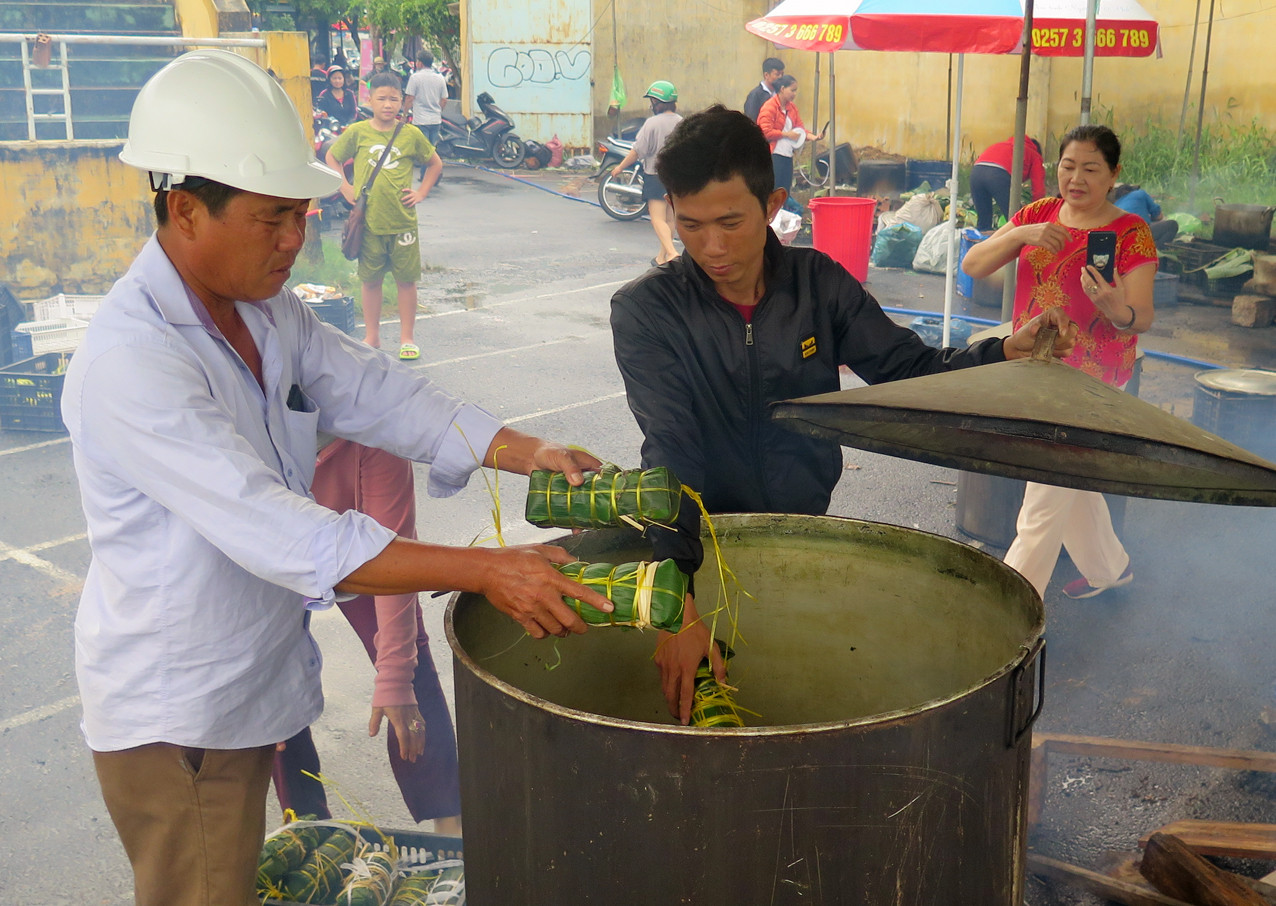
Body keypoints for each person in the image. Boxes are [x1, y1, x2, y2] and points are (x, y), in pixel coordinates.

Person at [65, 49, 613, 906]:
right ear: (183, 211)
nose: (298, 239)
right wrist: (490, 570)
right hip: (181, 722)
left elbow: (373, 389)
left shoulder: (264, 309)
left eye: (302, 215)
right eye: (273, 217)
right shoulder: (131, 363)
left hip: (248, 688)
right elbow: (282, 530)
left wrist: (521, 448)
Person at [609, 105, 1077, 724]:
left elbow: (908, 370)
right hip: (700, 541)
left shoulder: (819, 284)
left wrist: (1003, 350)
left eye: (731, 222)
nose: (712, 248)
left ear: (773, 202)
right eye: (689, 224)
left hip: (803, 532)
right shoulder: (647, 311)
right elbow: (670, 446)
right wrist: (674, 598)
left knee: (798, 701)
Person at [962, 123, 1157, 601]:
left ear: (1114, 175)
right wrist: (1020, 234)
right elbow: (973, 265)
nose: (1077, 178)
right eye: (1068, 166)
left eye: (1091, 168)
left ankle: (1008, 603)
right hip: (1034, 365)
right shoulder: (1039, 213)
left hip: (1092, 381)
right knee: (1068, 480)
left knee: (1045, 492)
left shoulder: (1130, 233)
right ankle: (1111, 568)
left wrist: (1114, 307)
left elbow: (1141, 317)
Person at [273, 441, 461, 836]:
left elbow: (397, 567)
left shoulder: (372, 434)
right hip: (272, 553)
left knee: (406, 657)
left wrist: (396, 678)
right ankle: (306, 828)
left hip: (354, 546)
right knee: (272, 687)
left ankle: (451, 820)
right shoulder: (244, 427)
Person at [327, 72, 443, 361]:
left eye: (394, 99)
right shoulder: (357, 132)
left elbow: (434, 163)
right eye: (382, 99)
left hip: (403, 222)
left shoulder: (410, 134)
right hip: (369, 222)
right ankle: (372, 336)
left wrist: (421, 193)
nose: (388, 105)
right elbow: (333, 156)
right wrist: (345, 187)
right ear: (370, 100)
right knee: (370, 280)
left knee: (406, 280)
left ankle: (407, 338)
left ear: (402, 101)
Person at [610, 80, 683, 266]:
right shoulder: (681, 122)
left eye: (652, 100)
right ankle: (662, 257)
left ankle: (673, 252)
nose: (651, 105)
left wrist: (619, 168)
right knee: (669, 218)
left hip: (656, 176)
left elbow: (637, 151)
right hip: (676, 176)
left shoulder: (652, 123)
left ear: (658, 102)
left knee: (657, 218)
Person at [756, 75, 821, 195]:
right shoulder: (769, 107)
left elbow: (799, 129)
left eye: (796, 90)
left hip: (787, 154)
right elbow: (765, 132)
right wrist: (786, 134)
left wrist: (814, 137)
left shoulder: (792, 108)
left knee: (785, 189)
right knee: (775, 188)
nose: (794, 94)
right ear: (782, 89)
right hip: (774, 154)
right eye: (792, 90)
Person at [970, 136, 1047, 232]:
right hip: (998, 175)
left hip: (976, 172)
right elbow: (1038, 189)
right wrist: (1039, 210)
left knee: (984, 223)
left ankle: (981, 243)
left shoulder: (1003, 145)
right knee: (1018, 221)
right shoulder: (1035, 155)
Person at [404, 50, 448, 147]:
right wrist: (438, 111)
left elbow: (409, 98)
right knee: (432, 150)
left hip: (420, 120)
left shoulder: (415, 78)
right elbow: (444, 99)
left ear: (420, 63)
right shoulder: (440, 78)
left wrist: (404, 115)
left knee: (422, 150)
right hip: (436, 120)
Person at [1114, 183, 1179, 246]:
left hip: (1120, 239)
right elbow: (1159, 216)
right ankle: (1155, 249)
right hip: (1138, 233)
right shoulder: (1140, 193)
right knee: (1172, 225)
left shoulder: (1115, 204)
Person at [743, 56, 784, 123]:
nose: (780, 77)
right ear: (766, 75)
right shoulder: (755, 95)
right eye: (777, 74)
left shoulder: (780, 93)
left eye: (782, 74)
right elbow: (750, 119)